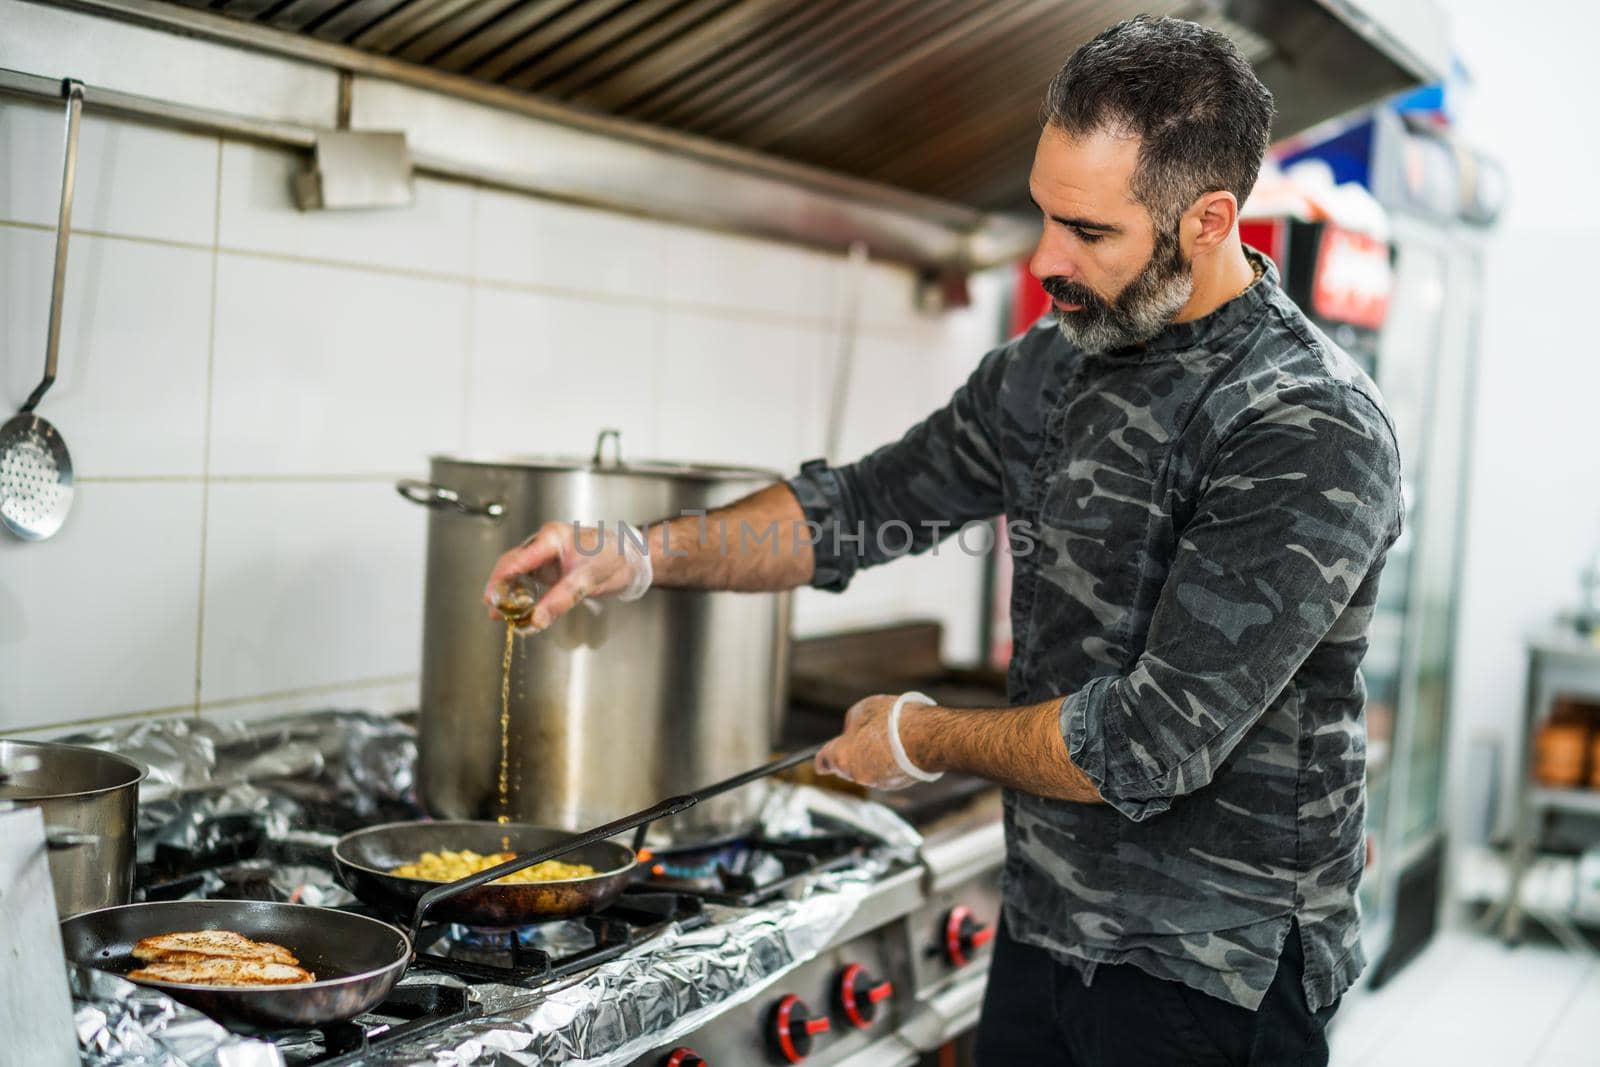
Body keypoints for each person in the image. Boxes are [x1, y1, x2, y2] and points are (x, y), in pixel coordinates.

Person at [484, 15, 1402, 1066]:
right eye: (1041, 214)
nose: (1047, 257)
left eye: (1088, 232)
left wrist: (921, 737)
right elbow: (864, 502)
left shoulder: (1301, 424)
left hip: (1210, 973)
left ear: (1207, 220)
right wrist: (640, 554)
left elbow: (1153, 739)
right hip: (1044, 928)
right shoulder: (1049, 367)